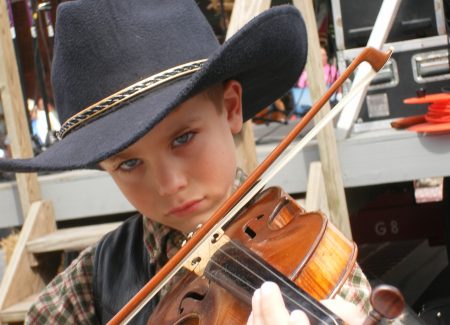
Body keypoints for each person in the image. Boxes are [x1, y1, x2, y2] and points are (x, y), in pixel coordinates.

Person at [0, 0, 371, 323]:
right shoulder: (85, 289)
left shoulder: (313, 257)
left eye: (182, 139)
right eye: (129, 164)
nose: (168, 184)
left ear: (230, 108)